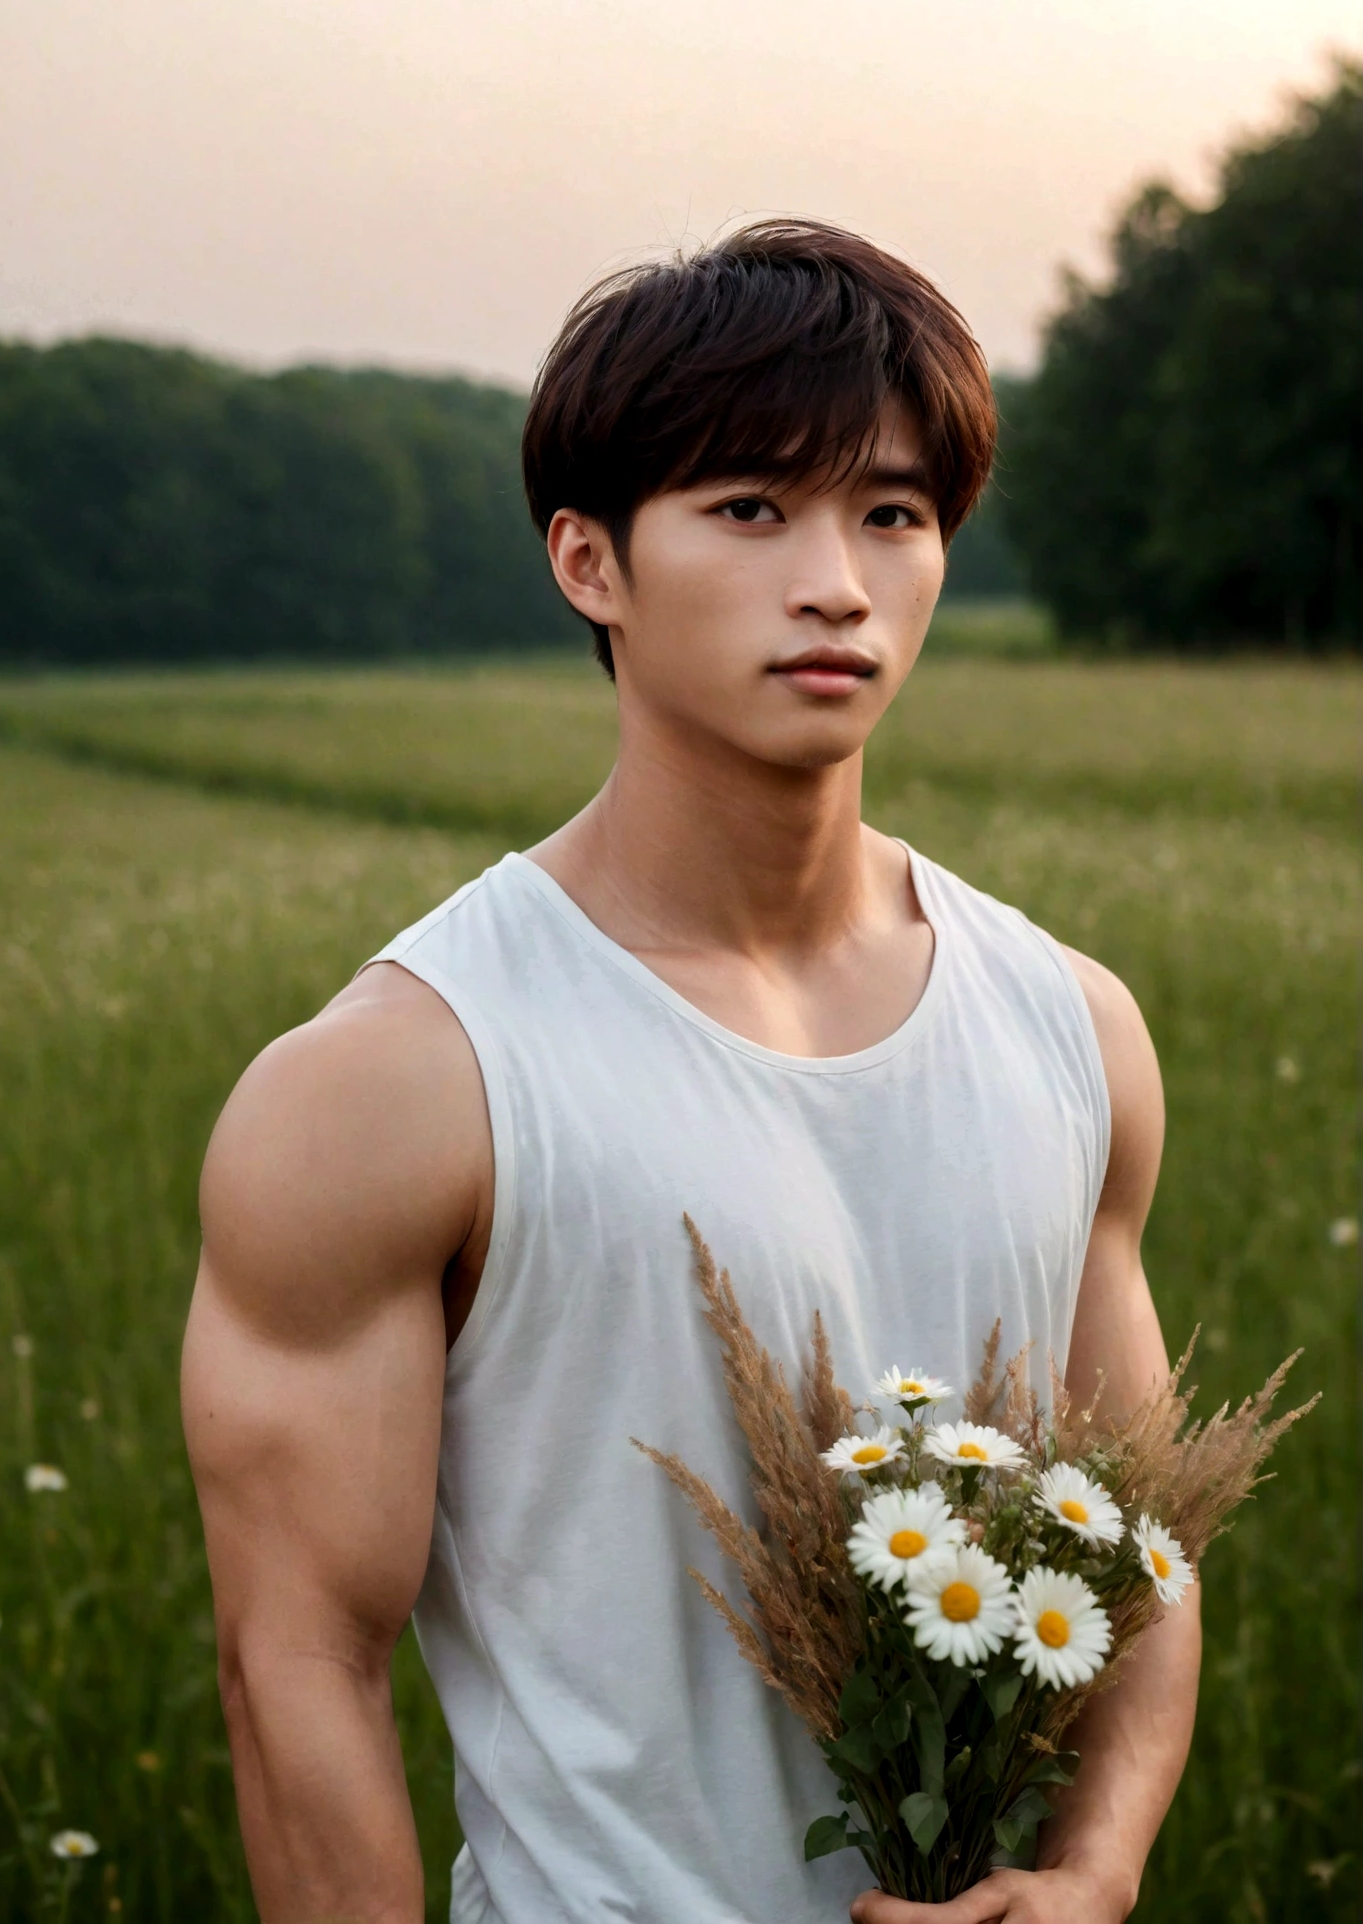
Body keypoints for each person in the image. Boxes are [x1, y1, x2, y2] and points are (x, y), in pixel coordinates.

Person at [182, 221, 1199, 1924]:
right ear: (591, 563)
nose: (838, 582)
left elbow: (1138, 1548)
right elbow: (294, 1675)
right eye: (750, 510)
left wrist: (1093, 1873)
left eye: (893, 512)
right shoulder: (397, 1080)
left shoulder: (1073, 1026)